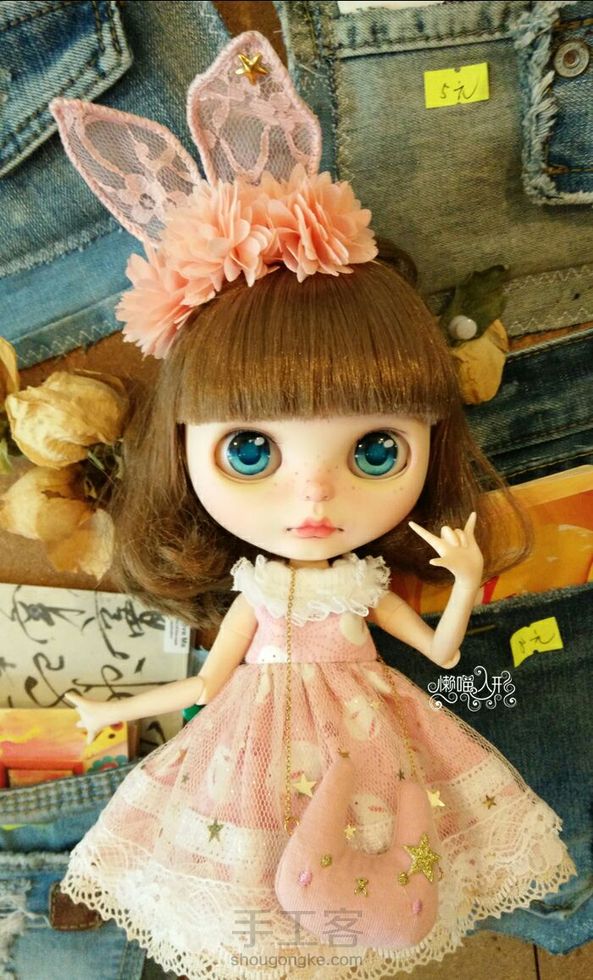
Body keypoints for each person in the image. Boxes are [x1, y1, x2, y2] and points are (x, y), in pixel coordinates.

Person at [54, 30, 575, 980]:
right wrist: (112, 708)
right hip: (251, 750)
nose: (313, 493)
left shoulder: (359, 584)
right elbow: (207, 688)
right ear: (181, 450)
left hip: (373, 750)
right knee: (251, 867)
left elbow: (443, 658)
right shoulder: (258, 590)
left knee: (384, 859)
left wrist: (462, 579)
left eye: (376, 450)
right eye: (250, 451)